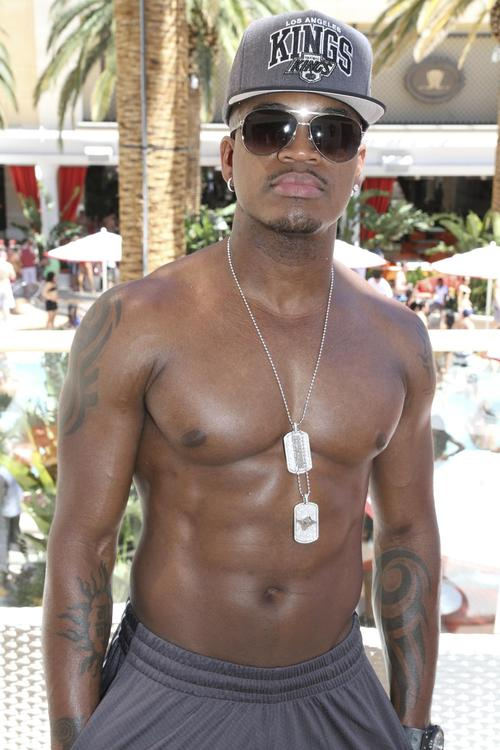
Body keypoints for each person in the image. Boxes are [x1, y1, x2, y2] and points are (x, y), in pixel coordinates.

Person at [44, 11, 442, 750]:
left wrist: (413, 729)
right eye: (270, 128)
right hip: (171, 692)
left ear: (359, 163)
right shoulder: (136, 322)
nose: (301, 151)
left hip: (337, 692)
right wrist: (73, 739)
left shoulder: (398, 340)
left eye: (332, 133)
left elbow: (409, 532)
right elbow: (81, 545)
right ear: (229, 156)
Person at [0, 249, 16, 325]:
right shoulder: (8, 265)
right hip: (5, 284)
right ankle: (6, 319)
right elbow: (13, 276)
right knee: (5, 302)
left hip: (4, 284)